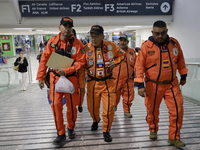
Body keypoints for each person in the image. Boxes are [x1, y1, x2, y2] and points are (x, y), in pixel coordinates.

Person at [134, 20, 188, 147]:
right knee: (152, 110)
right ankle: (153, 128)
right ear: (152, 32)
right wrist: (140, 85)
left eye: (163, 33)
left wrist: (183, 75)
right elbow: (139, 66)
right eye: (157, 33)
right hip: (152, 85)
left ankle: (174, 137)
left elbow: (180, 60)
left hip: (171, 84)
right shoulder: (146, 46)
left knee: (178, 109)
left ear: (166, 31)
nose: (160, 36)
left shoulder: (174, 44)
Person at [36, 17, 85, 145]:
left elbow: (81, 62)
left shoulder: (78, 44)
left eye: (69, 27)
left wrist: (67, 70)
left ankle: (70, 127)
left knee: (72, 107)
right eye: (65, 26)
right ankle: (61, 133)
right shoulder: (52, 42)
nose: (67, 29)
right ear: (59, 27)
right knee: (56, 106)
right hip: (55, 79)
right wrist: (41, 77)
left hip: (71, 79)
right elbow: (44, 59)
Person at [79, 25, 125, 142]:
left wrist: (115, 61)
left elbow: (122, 55)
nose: (93, 39)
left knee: (109, 109)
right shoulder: (86, 49)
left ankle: (106, 131)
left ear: (102, 36)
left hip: (108, 83)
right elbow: (81, 67)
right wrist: (81, 86)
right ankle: (95, 119)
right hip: (92, 83)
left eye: (96, 37)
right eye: (91, 37)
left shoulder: (111, 46)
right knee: (92, 108)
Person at [113, 34, 136, 118]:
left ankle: (127, 111)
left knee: (129, 95)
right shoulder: (114, 51)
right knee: (115, 94)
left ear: (127, 42)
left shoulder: (132, 52)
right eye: (121, 40)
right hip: (116, 79)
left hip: (128, 79)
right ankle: (113, 106)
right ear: (119, 41)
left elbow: (136, 64)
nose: (122, 42)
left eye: (124, 40)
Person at [71, 28, 85, 113]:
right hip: (69, 74)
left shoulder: (79, 45)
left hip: (79, 72)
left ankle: (80, 104)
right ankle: (73, 107)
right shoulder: (63, 45)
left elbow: (82, 61)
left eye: (72, 35)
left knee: (81, 92)